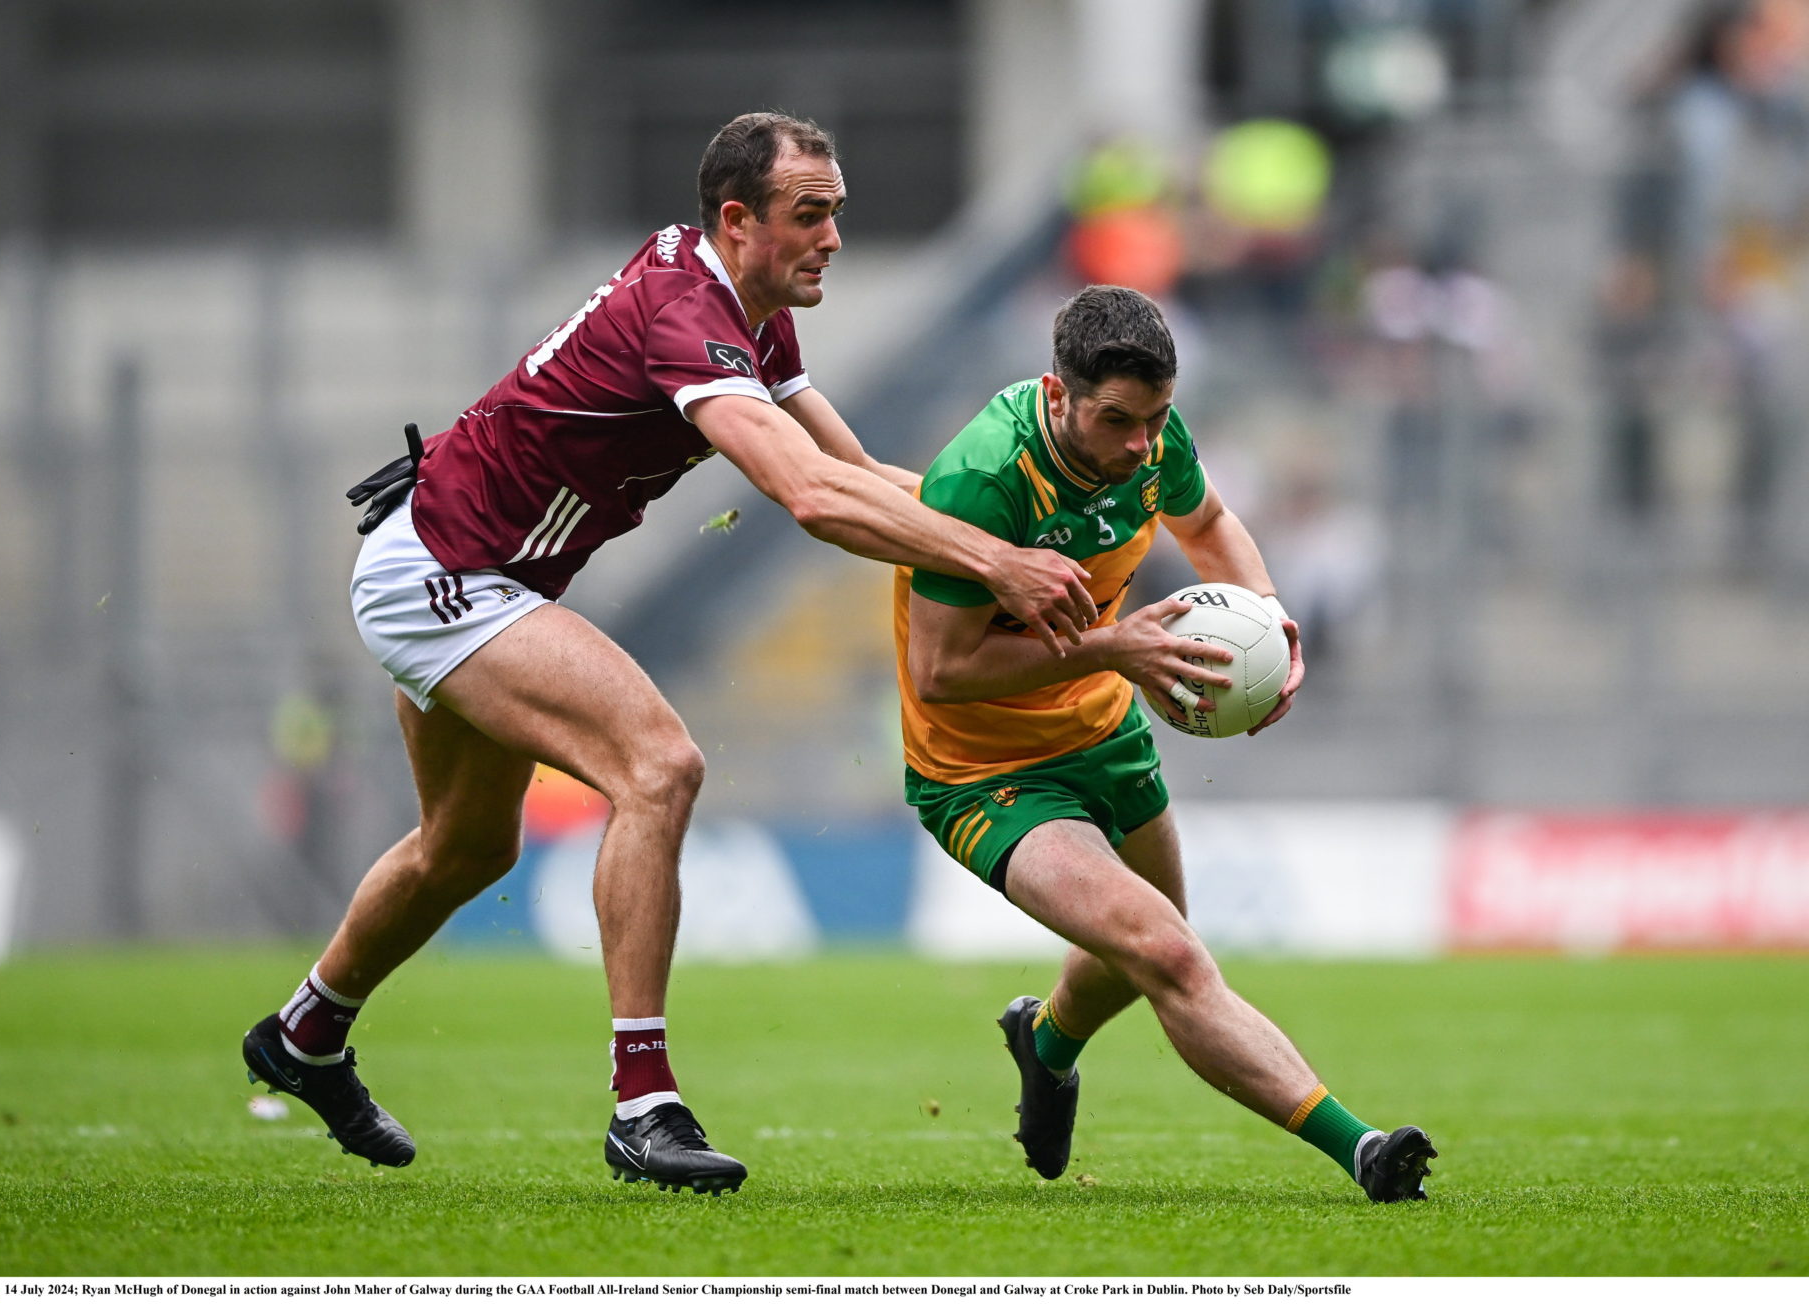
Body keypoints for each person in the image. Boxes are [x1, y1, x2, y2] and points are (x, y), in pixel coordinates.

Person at [241, 112, 1100, 1195]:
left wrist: (1013, 541)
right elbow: (809, 497)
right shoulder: (689, 315)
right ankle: (643, 1105)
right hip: (444, 573)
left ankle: (304, 1033)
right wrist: (996, 561)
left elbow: (873, 476)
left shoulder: (750, 309)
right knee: (660, 764)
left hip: (468, 563)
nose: (833, 235)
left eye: (837, 212)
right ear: (737, 221)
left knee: (467, 847)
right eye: (810, 214)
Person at [893, 284, 1437, 1201]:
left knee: (1143, 948)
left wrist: (1269, 623)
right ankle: (1364, 1149)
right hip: (984, 771)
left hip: (1103, 729)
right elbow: (941, 671)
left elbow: (1210, 523)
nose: (1141, 444)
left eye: (1156, 419)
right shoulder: (983, 482)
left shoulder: (1150, 438)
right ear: (1057, 394)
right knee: (1170, 955)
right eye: (1117, 420)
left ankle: (1047, 1042)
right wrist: (1111, 646)